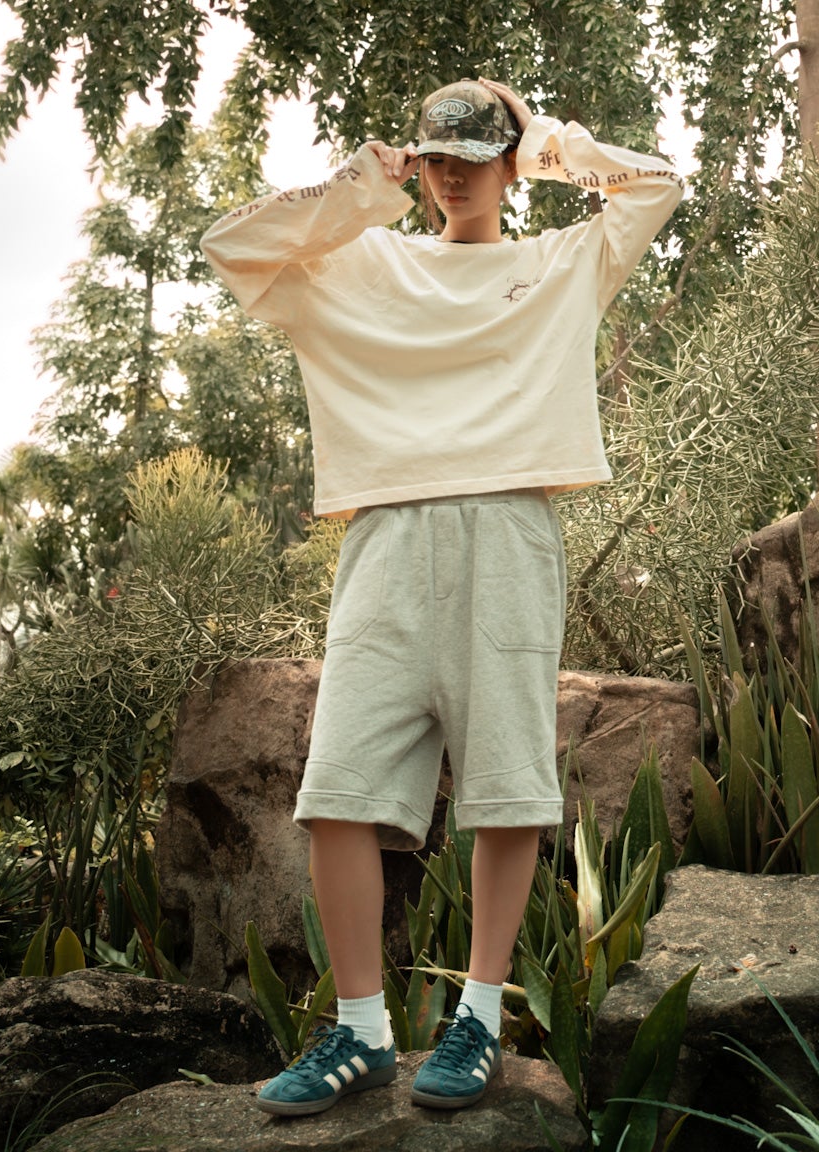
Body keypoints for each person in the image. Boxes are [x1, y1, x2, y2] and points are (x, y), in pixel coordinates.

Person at [200, 78, 680, 1115]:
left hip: (508, 529)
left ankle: (479, 1017)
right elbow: (229, 247)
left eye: (476, 156)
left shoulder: (559, 265)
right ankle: (362, 1031)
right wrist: (355, 193)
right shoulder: (361, 262)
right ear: (416, 165)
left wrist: (545, 138)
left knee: (506, 785)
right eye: (437, 157)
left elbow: (654, 187)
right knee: (339, 791)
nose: (454, 175)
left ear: (508, 166)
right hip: (384, 534)